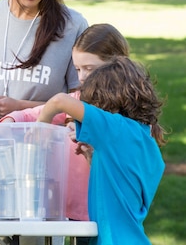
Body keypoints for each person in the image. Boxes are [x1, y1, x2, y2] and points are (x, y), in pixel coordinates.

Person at [0, 23, 130, 245]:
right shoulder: (79, 97)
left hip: (101, 210)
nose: (82, 77)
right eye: (78, 69)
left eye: (90, 68)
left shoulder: (125, 111)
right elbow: (36, 113)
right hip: (66, 206)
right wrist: (12, 120)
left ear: (115, 64)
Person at [38, 56, 166, 245]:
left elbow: (59, 101)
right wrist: (93, 157)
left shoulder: (115, 128)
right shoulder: (147, 143)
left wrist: (40, 129)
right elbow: (120, 182)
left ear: (104, 103)